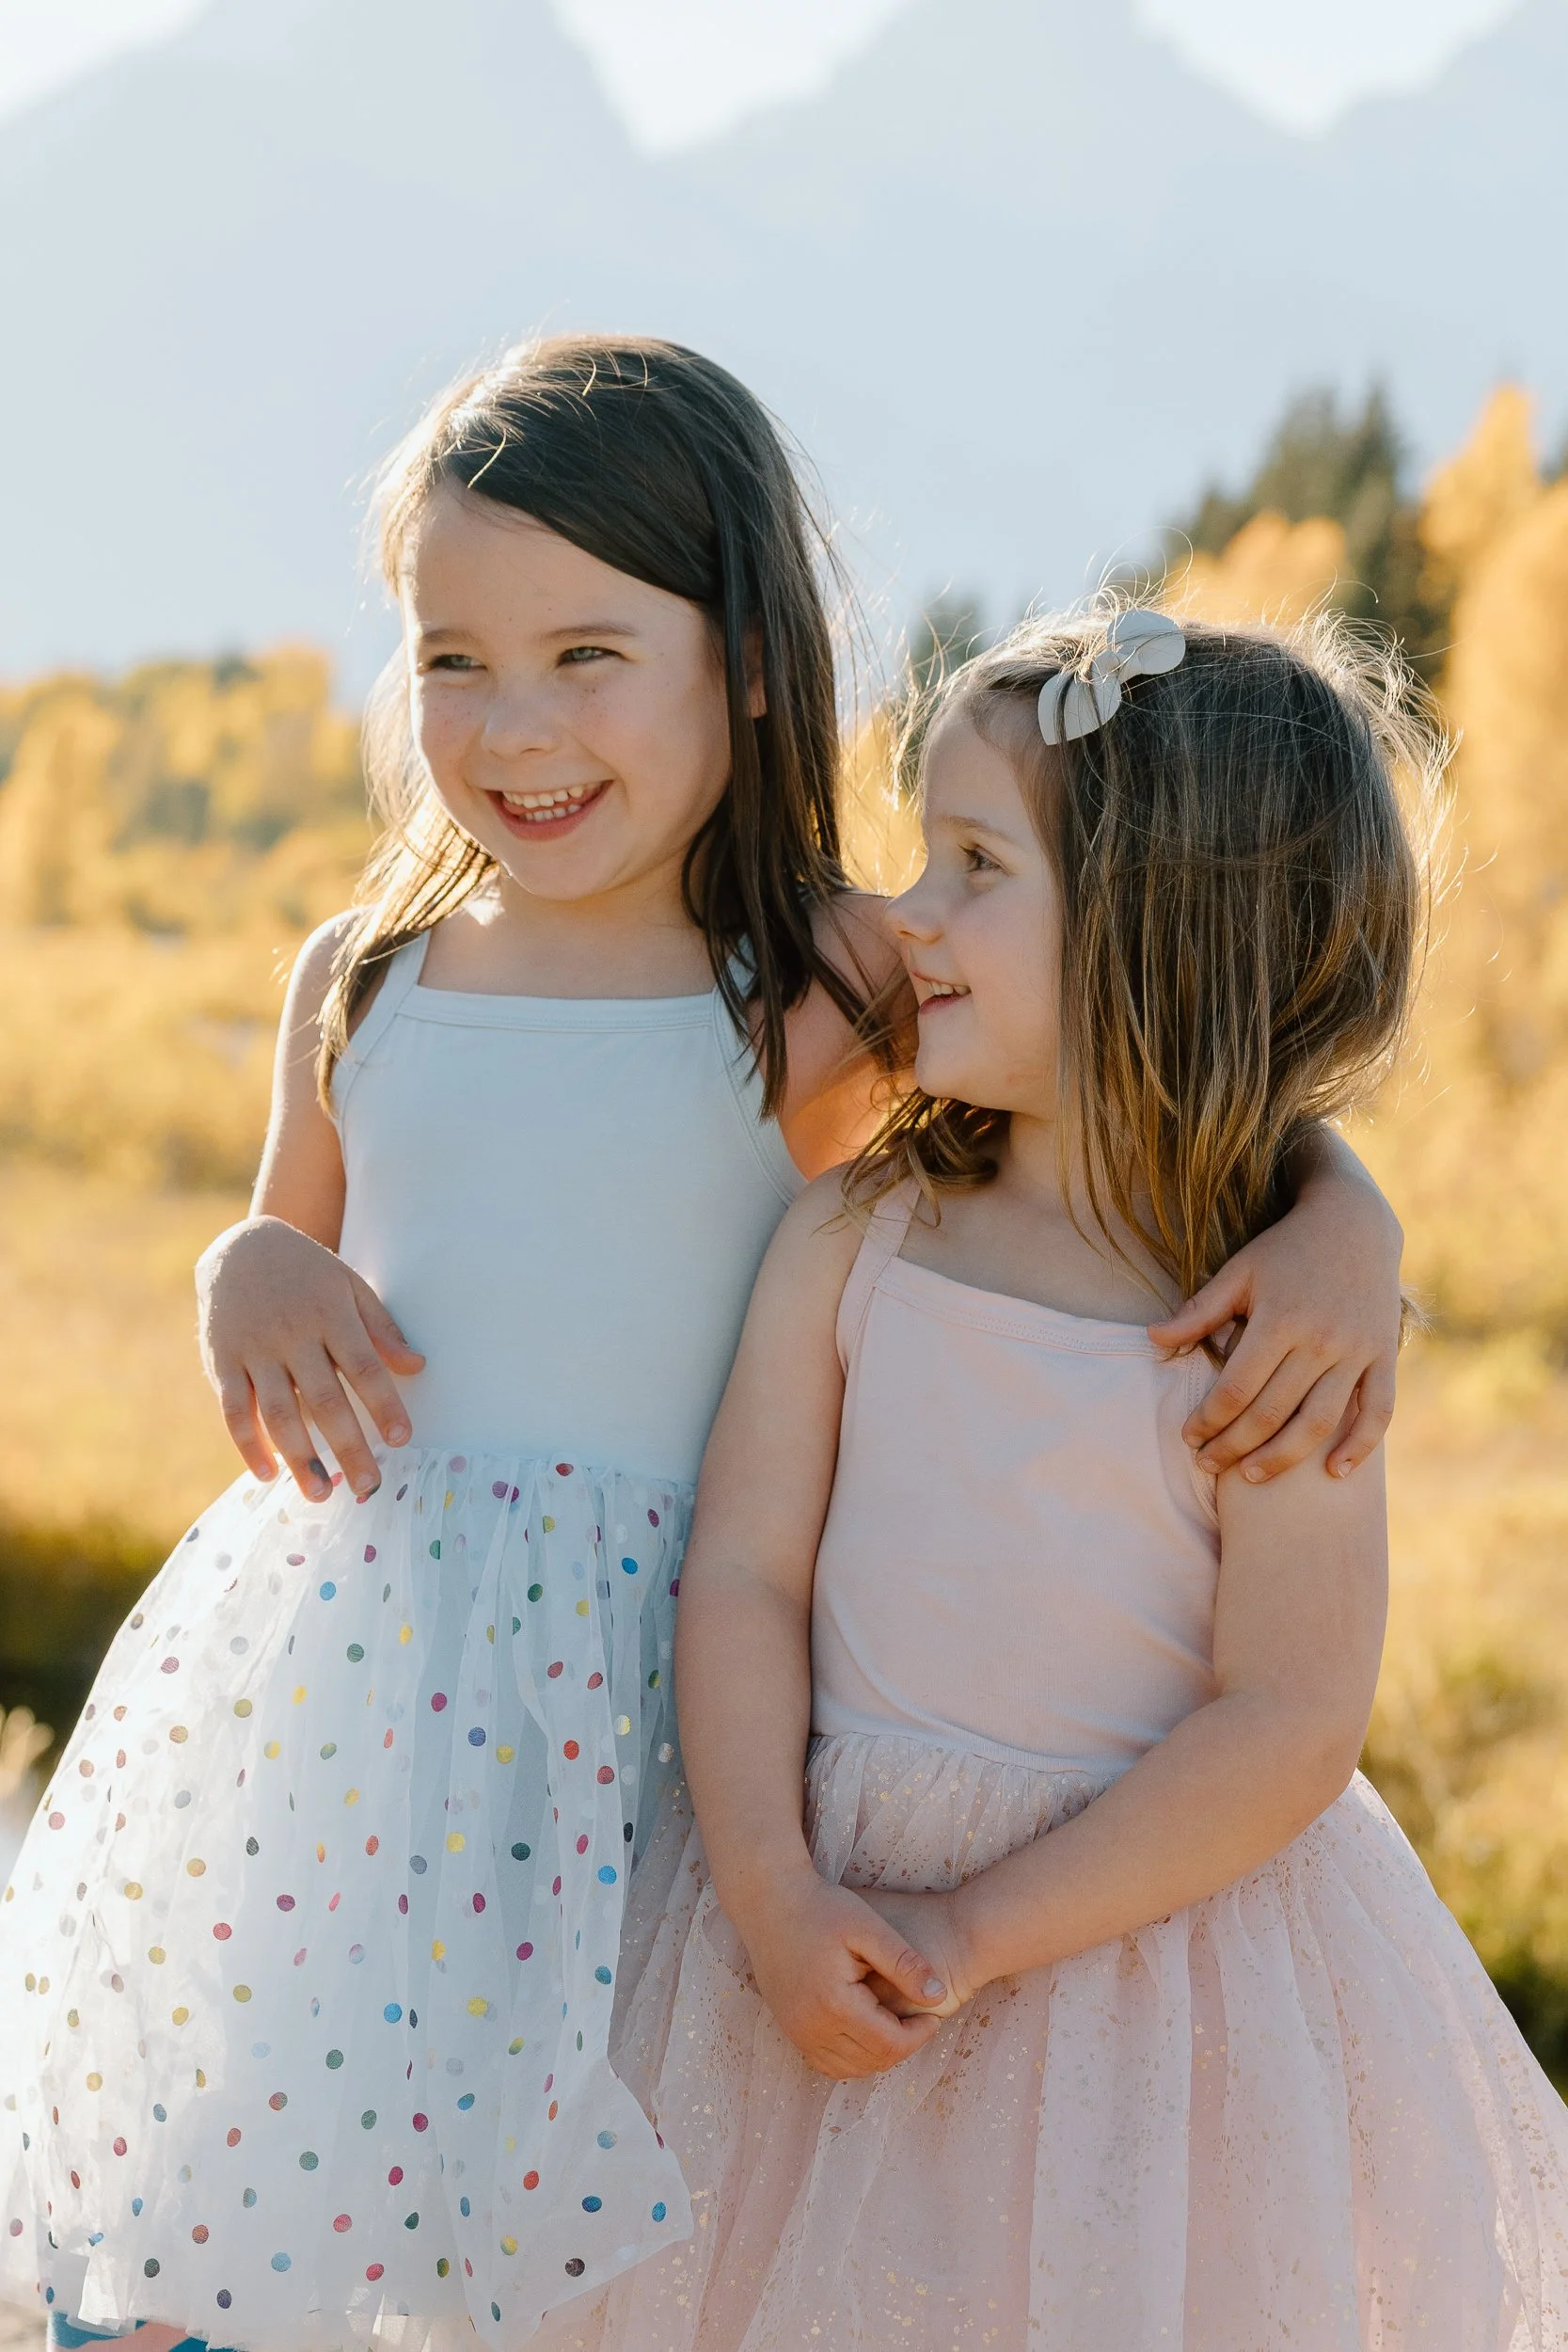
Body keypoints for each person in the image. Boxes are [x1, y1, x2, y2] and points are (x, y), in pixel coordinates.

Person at [1, 339, 1402, 2352]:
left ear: (744, 660)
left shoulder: (820, 977)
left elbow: (1139, 1031)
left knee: (587, 2213)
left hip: (660, 1714)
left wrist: (1338, 1214)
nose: (514, 725)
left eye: (586, 654)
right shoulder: (366, 973)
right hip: (367, 1695)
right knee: (258, 2161)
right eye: (453, 660)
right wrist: (243, 1263)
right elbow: (284, 1233)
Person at [541, 605, 1568, 2351]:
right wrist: (775, 1892)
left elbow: (1288, 1719)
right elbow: (747, 1573)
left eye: (973, 866)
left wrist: (974, 1930)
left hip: (1140, 1990)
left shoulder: (1273, 1324)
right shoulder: (858, 1235)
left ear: (1156, 930)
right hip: (817, 1916)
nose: (905, 914)